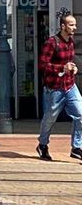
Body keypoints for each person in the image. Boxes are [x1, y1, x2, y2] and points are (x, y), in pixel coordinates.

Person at [38, 11, 82, 161]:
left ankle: (76, 147)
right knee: (49, 119)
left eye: (75, 24)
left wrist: (73, 68)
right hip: (54, 88)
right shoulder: (52, 42)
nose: (74, 27)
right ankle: (42, 145)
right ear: (63, 26)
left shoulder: (70, 41)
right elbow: (42, 65)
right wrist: (61, 68)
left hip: (70, 85)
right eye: (71, 25)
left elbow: (69, 62)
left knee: (81, 114)